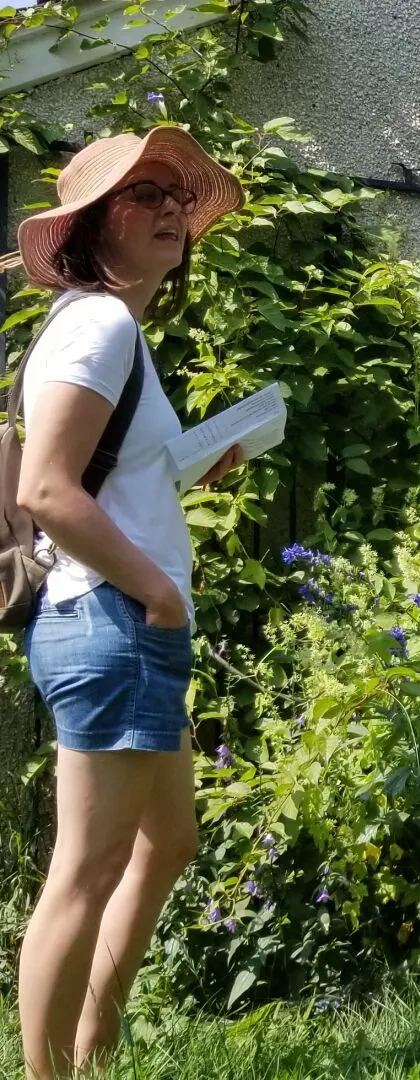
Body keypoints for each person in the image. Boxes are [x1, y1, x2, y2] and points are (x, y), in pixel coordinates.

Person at [12, 127, 245, 1079]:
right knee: (86, 869)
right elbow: (46, 491)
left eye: (175, 198)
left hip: (123, 623)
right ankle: (49, 1072)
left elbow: (102, 487)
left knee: (168, 841)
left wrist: (186, 471)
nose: (168, 212)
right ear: (89, 227)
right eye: (141, 196)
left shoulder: (110, 331)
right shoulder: (99, 324)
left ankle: (94, 1043)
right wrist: (154, 591)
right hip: (113, 622)